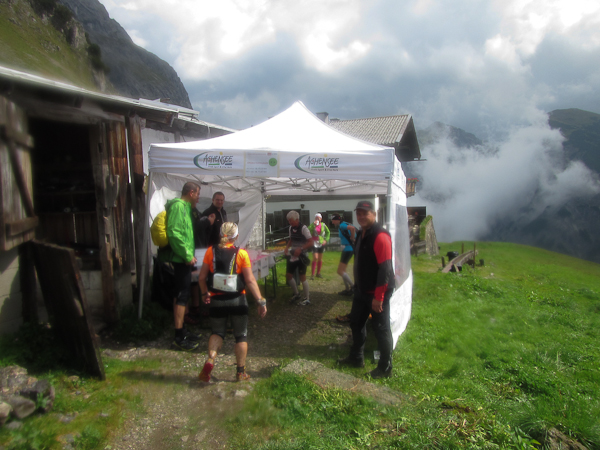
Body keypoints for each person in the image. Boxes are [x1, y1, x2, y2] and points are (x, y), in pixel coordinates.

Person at [197, 222, 267, 382]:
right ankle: (240, 372)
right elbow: (250, 280)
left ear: (220, 234)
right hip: (238, 300)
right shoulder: (241, 254)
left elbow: (201, 278)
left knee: (217, 332)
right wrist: (260, 301)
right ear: (236, 237)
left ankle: (211, 359)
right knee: (241, 336)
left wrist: (204, 293)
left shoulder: (210, 252)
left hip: (216, 299)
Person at [338, 200, 396, 379]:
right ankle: (356, 357)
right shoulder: (361, 233)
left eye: (365, 213)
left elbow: (385, 269)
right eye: (359, 213)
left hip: (377, 292)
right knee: (356, 322)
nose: (361, 216)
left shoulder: (380, 236)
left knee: (381, 329)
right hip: (362, 290)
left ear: (374, 214)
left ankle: (385, 368)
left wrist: (379, 297)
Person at [158, 182, 201, 351]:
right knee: (182, 295)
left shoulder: (185, 207)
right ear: (191, 193)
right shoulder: (178, 206)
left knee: (182, 294)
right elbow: (174, 233)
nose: (198, 198)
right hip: (180, 259)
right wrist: (187, 256)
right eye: (197, 194)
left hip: (183, 258)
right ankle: (178, 336)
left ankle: (182, 329)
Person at [284, 211, 313, 306]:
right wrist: (287, 247)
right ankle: (296, 294)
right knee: (288, 275)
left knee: (302, 277)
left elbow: (311, 242)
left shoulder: (304, 228)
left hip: (302, 256)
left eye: (291, 221)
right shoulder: (290, 228)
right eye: (289, 221)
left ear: (297, 219)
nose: (290, 223)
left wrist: (301, 249)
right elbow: (291, 239)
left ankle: (307, 298)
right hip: (293, 255)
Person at [330, 214, 356, 296]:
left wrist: (352, 238)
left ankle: (353, 287)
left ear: (337, 220)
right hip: (347, 249)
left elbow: (352, 228)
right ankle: (347, 290)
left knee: (340, 271)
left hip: (348, 250)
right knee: (343, 271)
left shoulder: (342, 225)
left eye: (333, 220)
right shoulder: (342, 225)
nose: (332, 222)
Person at [307, 213, 330, 279]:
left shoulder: (323, 225)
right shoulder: (312, 225)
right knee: (315, 257)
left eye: (318, 218)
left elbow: (328, 233)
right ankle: (312, 274)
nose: (317, 219)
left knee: (320, 258)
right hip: (314, 243)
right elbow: (307, 231)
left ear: (321, 219)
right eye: (316, 218)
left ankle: (318, 273)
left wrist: (326, 240)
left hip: (321, 242)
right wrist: (313, 225)